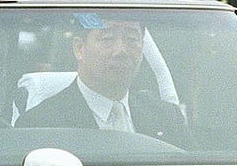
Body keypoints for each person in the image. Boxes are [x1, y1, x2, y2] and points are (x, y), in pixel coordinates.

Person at [16, 17, 189, 146]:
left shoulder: (166, 116)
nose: (121, 51)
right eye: (107, 39)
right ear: (79, 48)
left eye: (131, 39)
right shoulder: (40, 125)